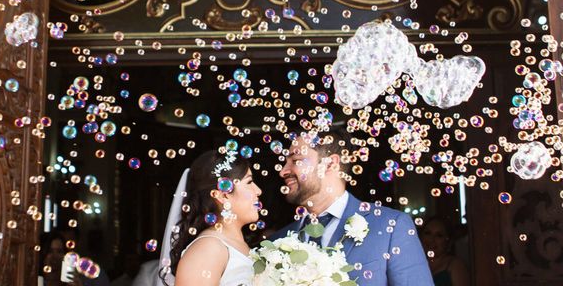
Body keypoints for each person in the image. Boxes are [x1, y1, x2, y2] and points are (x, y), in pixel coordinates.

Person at [271, 130, 434, 286]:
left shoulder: (391, 227)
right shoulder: (277, 242)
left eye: (295, 160)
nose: (283, 171)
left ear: (330, 164)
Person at [158, 150, 262, 286]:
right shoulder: (209, 249)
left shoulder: (240, 246)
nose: (258, 191)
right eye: (249, 182)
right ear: (223, 195)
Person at [421, 217, 469, 286]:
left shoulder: (456, 266)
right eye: (428, 233)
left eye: (439, 235)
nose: (431, 240)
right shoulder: (415, 263)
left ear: (448, 241)